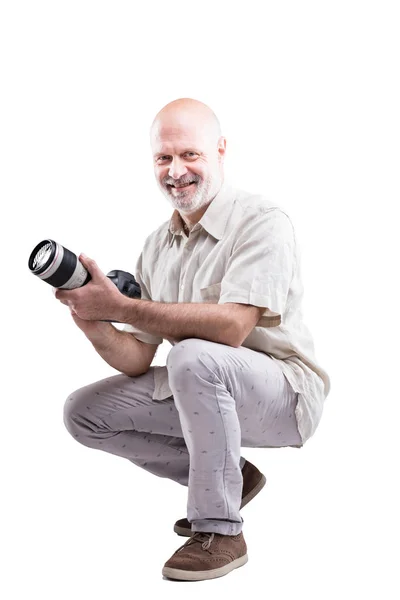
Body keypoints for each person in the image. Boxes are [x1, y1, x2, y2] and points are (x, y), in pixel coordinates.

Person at [56, 98, 331, 582]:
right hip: (203, 385)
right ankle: (232, 479)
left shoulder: (262, 220)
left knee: (193, 355)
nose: (175, 170)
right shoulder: (157, 246)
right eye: (164, 158)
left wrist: (122, 307)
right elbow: (138, 357)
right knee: (84, 413)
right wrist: (93, 319)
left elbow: (232, 329)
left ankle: (220, 531)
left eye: (190, 154)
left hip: (285, 397)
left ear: (221, 150)